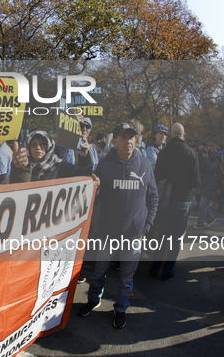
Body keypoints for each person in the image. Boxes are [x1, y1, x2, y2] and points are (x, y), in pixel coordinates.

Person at [77, 123, 158, 329]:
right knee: (98, 272)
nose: (128, 141)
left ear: (136, 140)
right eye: (123, 137)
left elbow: (153, 197)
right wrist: (94, 186)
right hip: (107, 232)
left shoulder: (145, 165)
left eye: (131, 137)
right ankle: (93, 301)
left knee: (126, 278)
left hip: (133, 234)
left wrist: (147, 227)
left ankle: (121, 308)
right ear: (115, 141)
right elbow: (96, 196)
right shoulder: (104, 165)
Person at [149, 123, 199, 280]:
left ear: (171, 135)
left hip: (166, 201)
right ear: (184, 135)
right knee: (176, 239)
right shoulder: (191, 154)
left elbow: (156, 177)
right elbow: (196, 181)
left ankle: (155, 267)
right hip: (183, 201)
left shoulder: (163, 153)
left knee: (162, 236)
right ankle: (168, 269)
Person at [10, 130, 93, 183]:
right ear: (28, 147)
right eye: (34, 144)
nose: (38, 148)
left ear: (49, 146)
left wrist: (84, 156)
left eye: (43, 144)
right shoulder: (24, 169)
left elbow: (83, 175)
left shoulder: (61, 167)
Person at [194, 142, 221, 230]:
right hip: (205, 182)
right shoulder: (208, 158)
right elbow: (203, 168)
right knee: (203, 203)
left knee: (202, 205)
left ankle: (200, 224)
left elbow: (210, 169)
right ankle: (210, 218)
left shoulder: (216, 159)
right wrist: (203, 158)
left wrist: (208, 159)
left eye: (209, 149)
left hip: (210, 184)